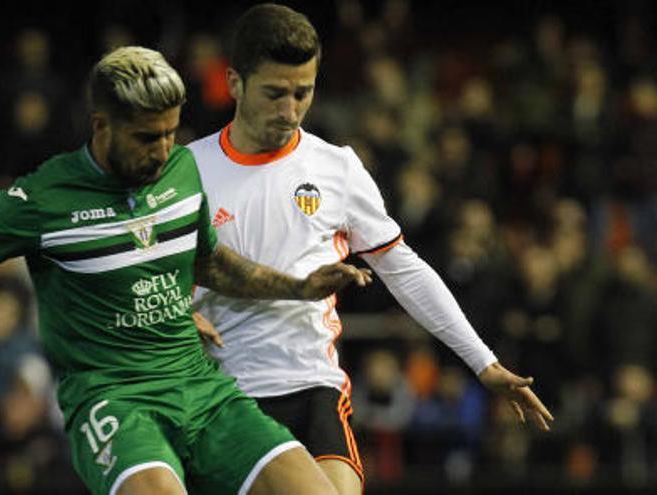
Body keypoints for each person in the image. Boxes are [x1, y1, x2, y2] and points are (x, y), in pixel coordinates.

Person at [0, 46, 373, 495]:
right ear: (101, 126)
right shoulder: (37, 201)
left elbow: (208, 262)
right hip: (114, 402)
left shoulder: (181, 172)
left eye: (170, 133)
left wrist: (296, 286)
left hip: (203, 390)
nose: (163, 151)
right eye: (146, 138)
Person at [187, 5, 555, 494]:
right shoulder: (187, 171)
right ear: (234, 82)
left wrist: (482, 361)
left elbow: (402, 268)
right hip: (224, 391)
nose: (291, 110)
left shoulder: (335, 168)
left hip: (313, 385)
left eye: (304, 93)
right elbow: (137, 273)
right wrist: (174, 313)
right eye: (275, 93)